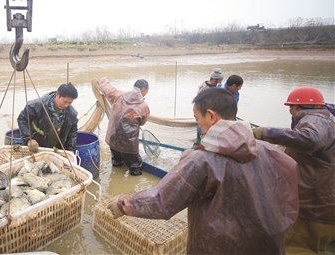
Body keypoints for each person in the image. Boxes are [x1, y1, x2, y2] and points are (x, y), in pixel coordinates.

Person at [108, 87, 299, 254]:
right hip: (268, 244)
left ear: (211, 116)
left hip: (220, 247)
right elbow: (289, 189)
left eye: (197, 118)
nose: (199, 124)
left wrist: (123, 203)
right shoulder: (269, 150)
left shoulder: (203, 160)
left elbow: (162, 200)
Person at [252, 86, 335, 254]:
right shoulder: (329, 120)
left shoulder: (315, 120)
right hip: (326, 206)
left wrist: (267, 132)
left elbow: (309, 139)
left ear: (296, 107)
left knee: (292, 249)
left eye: (290, 107)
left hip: (311, 208)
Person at [99, 76, 150, 176]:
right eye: (147, 91)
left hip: (113, 140)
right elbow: (143, 122)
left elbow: (106, 87)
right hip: (129, 145)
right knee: (135, 168)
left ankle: (115, 177)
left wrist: (104, 79)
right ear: (143, 90)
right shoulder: (143, 106)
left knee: (116, 163)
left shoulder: (118, 95)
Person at [17, 83, 79, 153]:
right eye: (64, 101)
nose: (66, 105)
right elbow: (22, 119)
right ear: (57, 94)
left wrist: (71, 149)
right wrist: (29, 139)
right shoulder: (37, 105)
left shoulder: (72, 113)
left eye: (69, 103)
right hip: (36, 147)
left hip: (56, 149)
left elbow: (72, 133)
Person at [193, 68, 225, 148]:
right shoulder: (206, 89)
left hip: (204, 117)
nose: (221, 82)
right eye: (220, 80)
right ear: (214, 80)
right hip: (204, 116)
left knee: (199, 141)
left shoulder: (208, 85)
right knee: (202, 140)